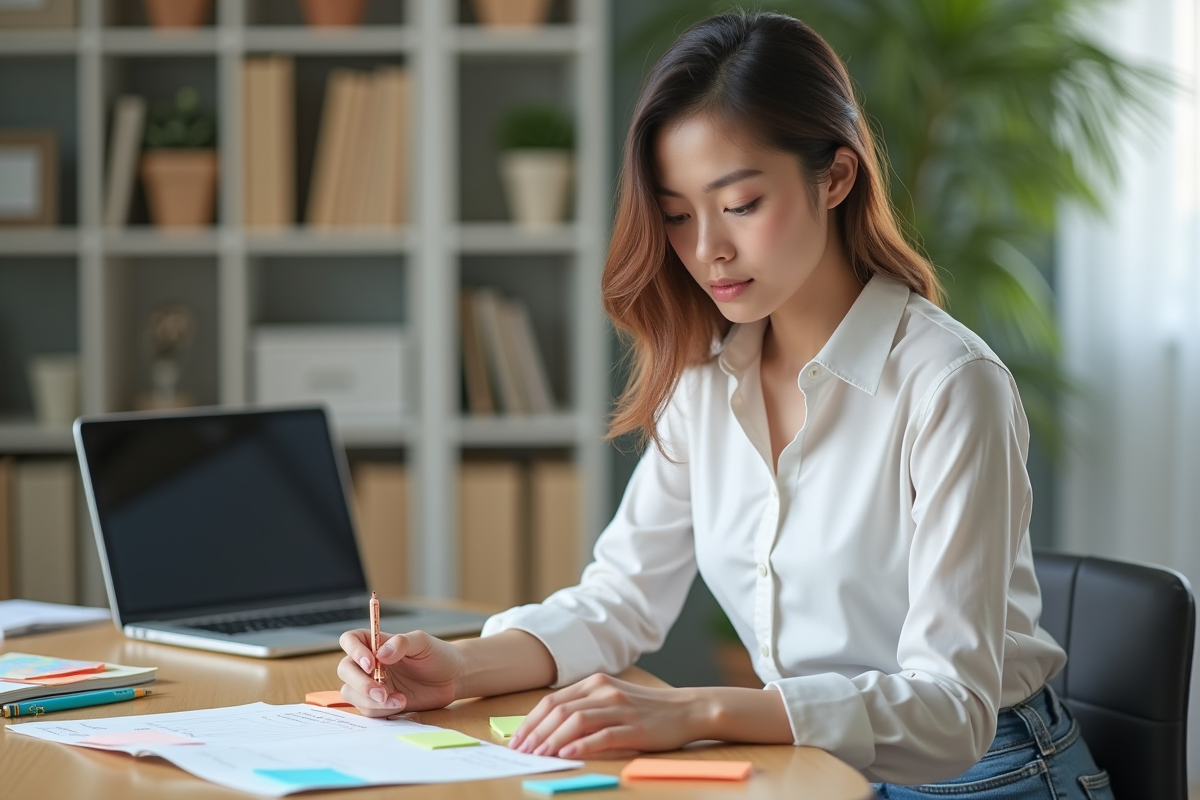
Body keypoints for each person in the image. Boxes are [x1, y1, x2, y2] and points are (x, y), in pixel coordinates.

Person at [338, 10, 1112, 798]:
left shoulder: (950, 383)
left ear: (835, 177)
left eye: (739, 203)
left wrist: (697, 709)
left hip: (992, 772)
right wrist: (458, 668)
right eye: (677, 215)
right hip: (814, 762)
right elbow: (621, 598)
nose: (707, 248)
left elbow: (951, 712)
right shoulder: (707, 377)